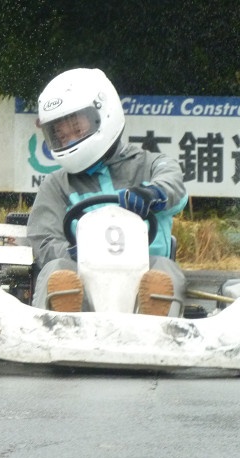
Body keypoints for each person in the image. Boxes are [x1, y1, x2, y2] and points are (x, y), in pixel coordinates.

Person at [26, 68, 188, 316]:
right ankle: (64, 320)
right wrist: (73, 252)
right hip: (82, 277)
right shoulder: (56, 185)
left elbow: (173, 183)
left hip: (145, 272)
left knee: (165, 272)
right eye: (60, 135)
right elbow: (44, 240)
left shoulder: (151, 165)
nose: (69, 140)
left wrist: (151, 194)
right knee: (57, 269)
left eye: (76, 129)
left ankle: (156, 320)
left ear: (104, 113)